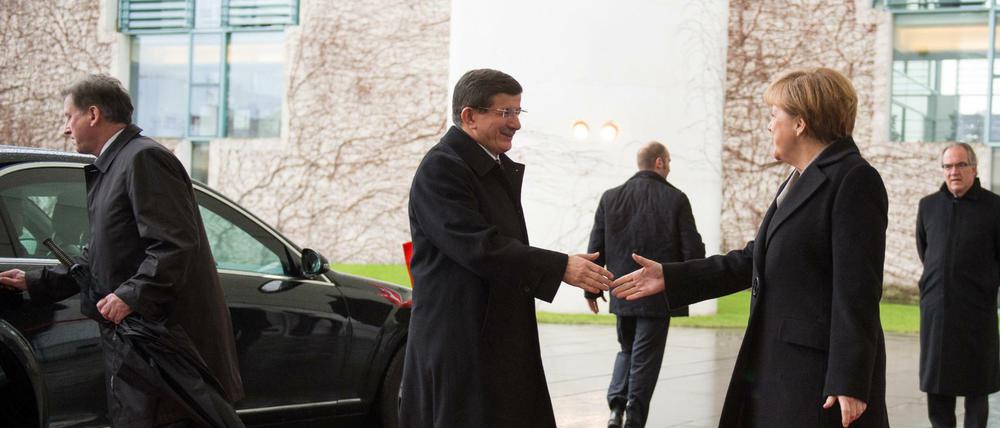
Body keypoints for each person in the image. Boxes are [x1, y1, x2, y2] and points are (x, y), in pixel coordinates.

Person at [610, 68, 889, 427]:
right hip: (781, 365)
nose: (770, 126)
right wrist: (672, 276)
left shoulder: (853, 179)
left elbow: (858, 288)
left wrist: (849, 379)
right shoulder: (798, 180)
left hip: (817, 379)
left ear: (800, 123)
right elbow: (754, 258)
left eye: (774, 116)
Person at [0, 74, 243, 427]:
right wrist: (35, 281)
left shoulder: (143, 159)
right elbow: (102, 258)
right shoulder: (116, 165)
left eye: (69, 117)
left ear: (93, 114)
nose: (66, 129)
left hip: (162, 345)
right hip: (139, 346)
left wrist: (130, 295)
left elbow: (174, 245)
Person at [400, 68, 614, 428]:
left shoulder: (487, 165)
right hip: (463, 346)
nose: (516, 124)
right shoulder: (442, 169)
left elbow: (499, 246)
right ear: (470, 117)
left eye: (518, 112)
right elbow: (479, 247)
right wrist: (559, 267)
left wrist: (563, 264)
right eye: (505, 113)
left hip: (492, 341)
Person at [585, 141, 705, 428]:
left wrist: (592, 289)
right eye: (670, 162)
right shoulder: (676, 199)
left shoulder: (610, 197)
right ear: (660, 162)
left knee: (627, 350)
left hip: (621, 292)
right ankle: (634, 420)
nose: (670, 168)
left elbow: (595, 249)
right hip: (657, 295)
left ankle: (616, 409)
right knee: (645, 359)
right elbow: (693, 253)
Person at [915, 143, 1000, 428]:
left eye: (960, 165)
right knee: (938, 390)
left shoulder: (995, 207)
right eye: (948, 166)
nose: (953, 172)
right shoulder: (928, 206)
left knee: (977, 392)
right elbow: (925, 251)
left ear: (974, 169)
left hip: (977, 314)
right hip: (936, 314)